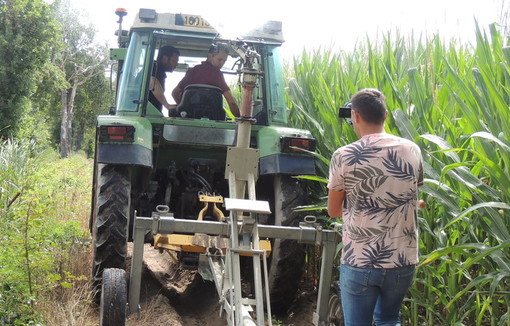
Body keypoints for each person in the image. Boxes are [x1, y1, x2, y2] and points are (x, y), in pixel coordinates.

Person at [327, 88, 423, 326]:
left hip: (361, 259)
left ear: (356, 116)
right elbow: (412, 195)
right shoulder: (412, 150)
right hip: (402, 259)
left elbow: (334, 211)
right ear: (386, 115)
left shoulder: (344, 155)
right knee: (389, 320)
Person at [172, 43, 240, 117]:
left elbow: (175, 93)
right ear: (210, 56)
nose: (222, 63)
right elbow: (231, 102)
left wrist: (183, 107)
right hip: (212, 119)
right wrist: (240, 120)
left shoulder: (193, 71)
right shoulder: (217, 75)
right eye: (220, 59)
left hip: (188, 118)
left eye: (224, 61)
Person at [148, 45, 180, 115]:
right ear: (165, 58)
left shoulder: (154, 69)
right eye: (174, 61)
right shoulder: (155, 69)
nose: (176, 64)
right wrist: (167, 105)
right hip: (148, 114)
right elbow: (152, 81)